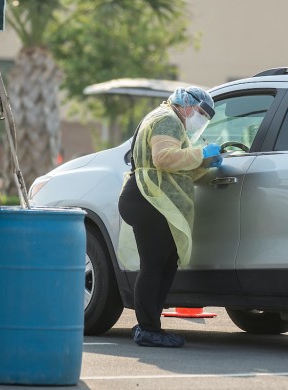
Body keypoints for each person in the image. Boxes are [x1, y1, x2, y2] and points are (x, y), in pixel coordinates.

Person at [117, 86, 221, 348]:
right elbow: (163, 159)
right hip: (149, 198)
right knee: (155, 264)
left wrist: (205, 164)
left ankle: (150, 325)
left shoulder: (167, 117)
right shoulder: (167, 119)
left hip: (149, 197)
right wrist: (201, 153)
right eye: (199, 113)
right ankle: (148, 329)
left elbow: (178, 170)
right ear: (186, 104)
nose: (199, 120)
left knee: (165, 263)